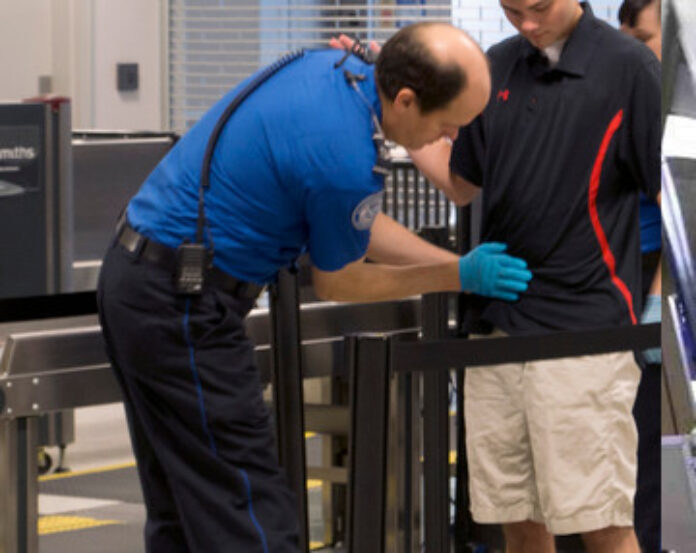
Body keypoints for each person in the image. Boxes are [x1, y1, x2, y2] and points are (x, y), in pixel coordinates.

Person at [96, 23, 534, 553]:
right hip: (181, 303)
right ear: (405, 99)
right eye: (447, 125)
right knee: (246, 508)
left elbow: (351, 223)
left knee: (185, 502)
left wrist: (456, 264)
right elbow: (339, 279)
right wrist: (455, 276)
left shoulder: (339, 72)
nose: (451, 140)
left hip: (138, 276)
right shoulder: (345, 156)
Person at [402, 1, 660, 552]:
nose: (527, 24)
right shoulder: (494, 67)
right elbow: (460, 182)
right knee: (516, 522)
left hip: (582, 336)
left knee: (602, 523)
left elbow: (673, 198)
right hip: (497, 332)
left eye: (539, 7)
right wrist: (398, 111)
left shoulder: (629, 68)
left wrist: (665, 295)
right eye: (513, 9)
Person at [619, 2, 662, 552]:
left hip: (655, 281)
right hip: (624, 281)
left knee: (650, 460)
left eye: (643, 37)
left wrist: (657, 299)